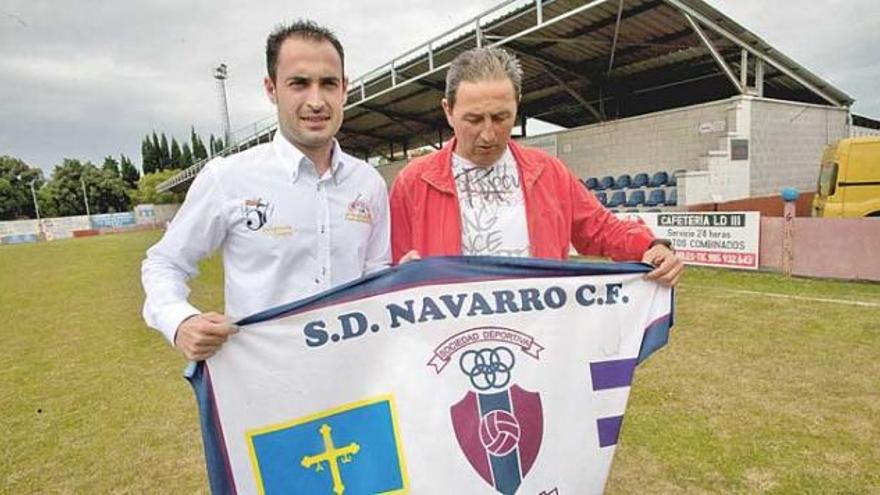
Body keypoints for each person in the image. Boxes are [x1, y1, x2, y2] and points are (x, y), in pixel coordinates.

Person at [142, 21, 390, 360]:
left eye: (328, 83)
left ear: (344, 88)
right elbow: (165, 261)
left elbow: (376, 276)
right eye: (299, 84)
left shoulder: (368, 183)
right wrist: (179, 320)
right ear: (271, 88)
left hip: (356, 378)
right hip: (265, 387)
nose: (316, 101)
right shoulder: (227, 178)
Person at [389, 47, 682, 286]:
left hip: (540, 336)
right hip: (453, 339)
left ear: (517, 105)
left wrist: (651, 246)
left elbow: (601, 228)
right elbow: (389, 267)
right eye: (474, 120)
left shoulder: (548, 171)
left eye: (501, 118)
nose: (488, 134)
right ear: (448, 111)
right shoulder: (413, 182)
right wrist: (398, 275)